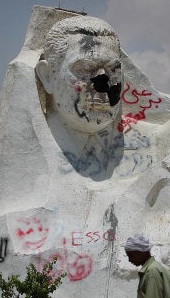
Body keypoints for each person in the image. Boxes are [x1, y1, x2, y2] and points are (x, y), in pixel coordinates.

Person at [35, 15, 124, 179]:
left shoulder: (154, 144)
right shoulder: (30, 155)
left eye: (113, 69)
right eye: (84, 68)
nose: (102, 85)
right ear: (48, 76)